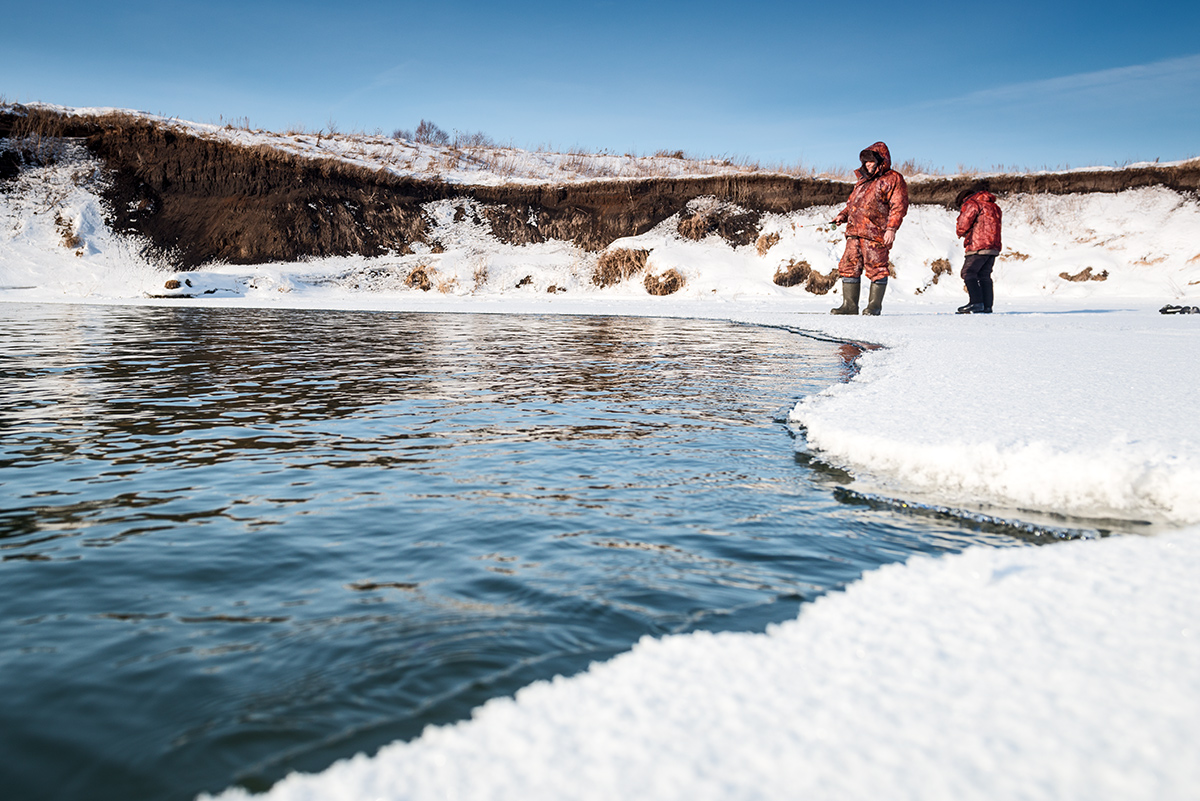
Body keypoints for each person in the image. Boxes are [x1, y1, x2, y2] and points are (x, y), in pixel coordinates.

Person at [829, 141, 909, 315]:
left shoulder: (893, 179)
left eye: (871, 161)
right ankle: (849, 306)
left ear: (882, 160)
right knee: (848, 265)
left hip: (875, 232)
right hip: (854, 232)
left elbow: (898, 206)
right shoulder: (862, 181)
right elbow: (852, 204)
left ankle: (874, 306)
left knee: (877, 267)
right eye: (865, 161)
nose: (868, 164)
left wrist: (891, 229)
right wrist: (842, 215)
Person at [954, 183, 1002, 314]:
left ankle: (976, 303)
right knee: (984, 275)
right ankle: (987, 306)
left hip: (978, 245)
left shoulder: (972, 203)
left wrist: (960, 231)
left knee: (968, 272)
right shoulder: (994, 206)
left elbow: (963, 223)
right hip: (993, 246)